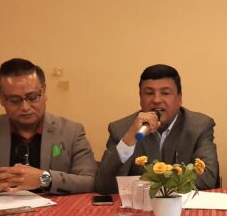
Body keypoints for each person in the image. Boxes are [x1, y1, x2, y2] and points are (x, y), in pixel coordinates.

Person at [0, 58, 97, 196]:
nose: (25, 107)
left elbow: (91, 181)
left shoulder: (71, 131)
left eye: (33, 97)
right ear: (1, 98)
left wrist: (44, 179)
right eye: (14, 100)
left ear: (44, 92)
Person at [94, 64, 219, 193]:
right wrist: (129, 140)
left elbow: (208, 178)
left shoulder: (199, 126)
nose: (157, 100)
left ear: (179, 98)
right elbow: (104, 186)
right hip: (138, 205)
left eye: (165, 93)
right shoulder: (121, 129)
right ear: (140, 98)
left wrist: (147, 184)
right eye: (149, 93)